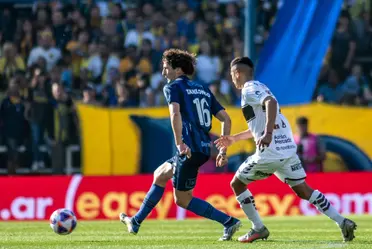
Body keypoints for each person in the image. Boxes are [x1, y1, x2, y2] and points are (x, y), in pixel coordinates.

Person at [215, 57, 357, 243]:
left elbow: (271, 103)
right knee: (303, 190)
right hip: (288, 150)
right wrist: (235, 138)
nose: (232, 79)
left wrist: (267, 133)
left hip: (270, 152)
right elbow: (257, 126)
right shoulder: (259, 87)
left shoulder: (250, 89)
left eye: (232, 74)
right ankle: (342, 221)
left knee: (237, 184)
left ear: (237, 73)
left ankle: (258, 228)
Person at [119, 49, 241, 241]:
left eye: (166, 68)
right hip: (201, 148)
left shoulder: (173, 88)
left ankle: (229, 222)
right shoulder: (202, 89)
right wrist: (223, 149)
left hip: (189, 149)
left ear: (177, 70)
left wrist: (179, 143)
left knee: (182, 200)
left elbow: (175, 114)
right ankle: (135, 221)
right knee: (159, 175)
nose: (163, 72)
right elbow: (226, 118)